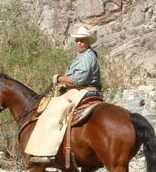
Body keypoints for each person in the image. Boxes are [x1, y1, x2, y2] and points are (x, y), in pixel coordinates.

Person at [25, 25, 102, 164]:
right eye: (77, 40)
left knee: (52, 110)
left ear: (88, 41)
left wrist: (59, 78)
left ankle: (47, 152)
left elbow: (78, 80)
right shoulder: (84, 56)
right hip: (82, 90)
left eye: (82, 40)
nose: (79, 43)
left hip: (84, 91)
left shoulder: (87, 57)